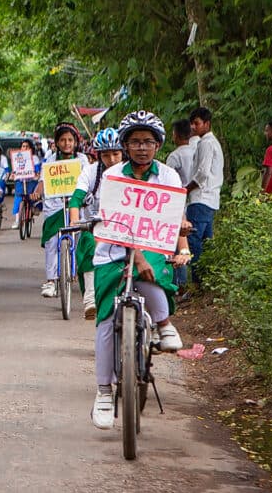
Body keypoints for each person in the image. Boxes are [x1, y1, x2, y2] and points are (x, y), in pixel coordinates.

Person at [90, 110, 191, 430]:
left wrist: (183, 244)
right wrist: (137, 256)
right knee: (106, 319)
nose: (142, 147)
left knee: (152, 273)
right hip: (112, 251)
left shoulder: (169, 177)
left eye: (148, 141)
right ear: (125, 145)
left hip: (152, 247)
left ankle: (164, 325)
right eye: (134, 141)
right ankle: (104, 391)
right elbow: (113, 218)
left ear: (158, 145)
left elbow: (175, 214)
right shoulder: (113, 176)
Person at [68, 127, 123, 319]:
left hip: (126, 227)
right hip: (95, 226)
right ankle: (91, 299)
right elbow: (75, 200)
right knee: (90, 245)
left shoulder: (131, 172)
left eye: (116, 153)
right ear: (99, 156)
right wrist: (75, 221)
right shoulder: (90, 173)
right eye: (106, 155)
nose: (112, 159)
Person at [33, 122, 89, 298]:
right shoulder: (50, 160)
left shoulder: (82, 160)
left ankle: (83, 278)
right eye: (63, 140)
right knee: (51, 242)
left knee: (81, 240)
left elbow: (88, 180)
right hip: (55, 205)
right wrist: (37, 192)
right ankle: (51, 281)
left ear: (75, 142)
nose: (67, 143)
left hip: (76, 203)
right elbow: (43, 181)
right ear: (57, 142)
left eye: (70, 140)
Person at [184, 106, 224, 287]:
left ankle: (198, 281)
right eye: (192, 123)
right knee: (207, 242)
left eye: (197, 123)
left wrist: (187, 188)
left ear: (207, 124)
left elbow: (202, 173)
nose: (193, 127)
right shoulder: (212, 142)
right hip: (211, 199)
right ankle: (208, 279)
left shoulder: (206, 143)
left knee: (194, 239)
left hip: (200, 197)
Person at [164, 119, 196, 289]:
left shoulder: (174, 156)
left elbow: (166, 185)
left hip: (176, 204)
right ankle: (187, 283)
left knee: (174, 242)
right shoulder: (196, 151)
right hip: (195, 201)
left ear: (175, 135)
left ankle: (178, 284)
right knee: (188, 240)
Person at [10, 139, 41, 230]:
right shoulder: (17, 156)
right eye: (23, 146)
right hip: (20, 181)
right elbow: (14, 170)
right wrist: (12, 175)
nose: (25, 148)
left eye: (27, 146)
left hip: (31, 181)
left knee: (33, 196)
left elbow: (37, 169)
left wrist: (37, 174)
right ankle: (17, 220)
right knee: (18, 198)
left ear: (31, 148)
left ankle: (34, 208)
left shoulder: (34, 158)